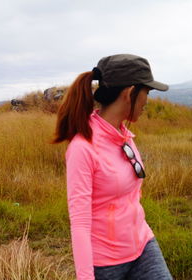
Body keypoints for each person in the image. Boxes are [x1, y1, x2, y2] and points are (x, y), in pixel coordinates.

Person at [53, 54, 173, 280]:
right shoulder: (83, 148)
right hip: (106, 263)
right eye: (146, 92)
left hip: (142, 245)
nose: (147, 100)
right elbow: (79, 222)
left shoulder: (123, 135)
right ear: (129, 93)